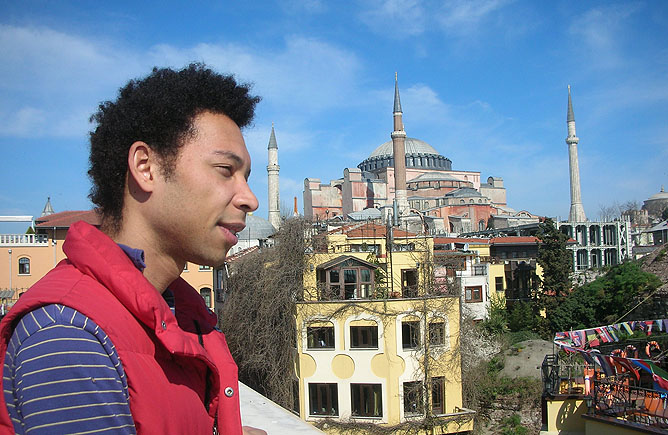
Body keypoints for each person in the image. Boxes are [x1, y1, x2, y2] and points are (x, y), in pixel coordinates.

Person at [0, 64, 266, 434]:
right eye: (225, 170)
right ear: (146, 167)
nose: (250, 199)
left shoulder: (178, 314)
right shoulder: (70, 335)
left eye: (247, 177)